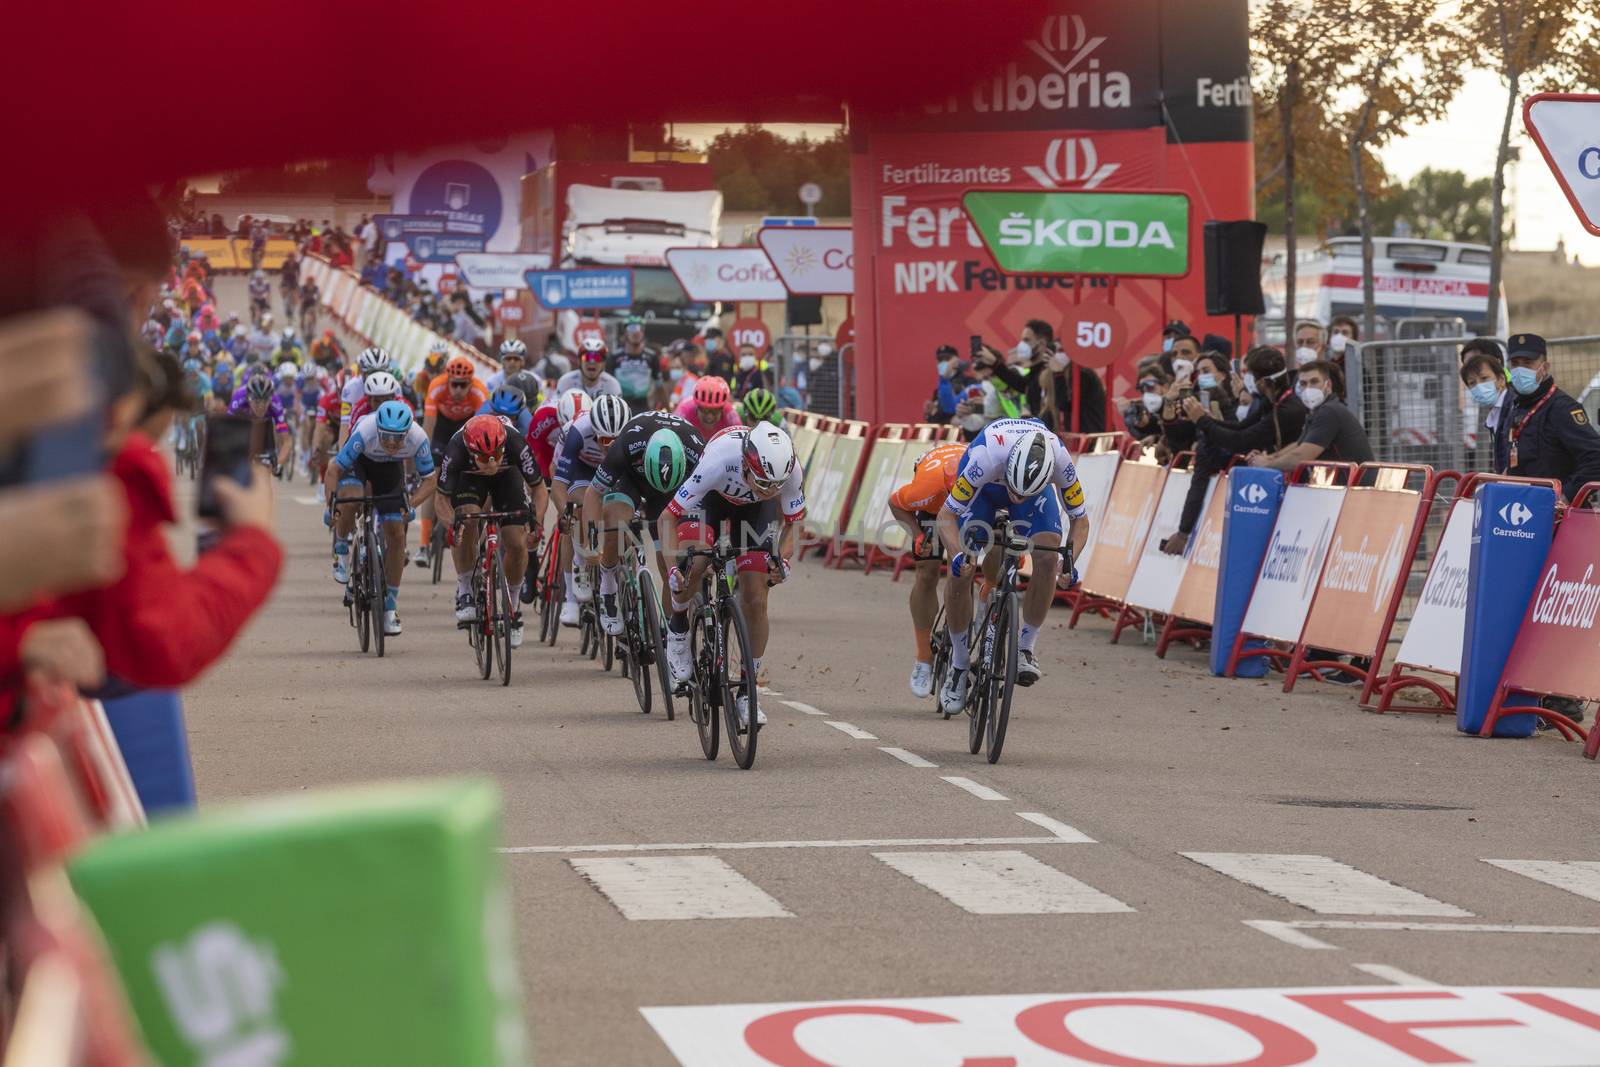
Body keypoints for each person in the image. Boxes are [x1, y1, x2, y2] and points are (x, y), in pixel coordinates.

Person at [936, 420, 1089, 714]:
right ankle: (958, 664)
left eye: (1023, 493)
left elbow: (1080, 521)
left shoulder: (1059, 460)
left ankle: (1025, 648)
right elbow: (946, 516)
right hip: (987, 489)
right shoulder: (985, 457)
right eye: (1016, 491)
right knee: (963, 567)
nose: (1016, 499)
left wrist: (1069, 559)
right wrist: (956, 556)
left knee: (1046, 557)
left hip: (1034, 488)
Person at [660, 422, 804, 730]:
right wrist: (674, 568)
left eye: (776, 486)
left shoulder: (788, 469)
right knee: (695, 564)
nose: (770, 490)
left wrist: (784, 560)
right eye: (763, 482)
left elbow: (794, 523)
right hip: (708, 501)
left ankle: (747, 693)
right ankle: (678, 627)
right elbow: (667, 517)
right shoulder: (718, 461)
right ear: (746, 463)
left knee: (756, 598)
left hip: (753, 514)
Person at [1160, 347, 1306, 555]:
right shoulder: (1268, 401)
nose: (1243, 379)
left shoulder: (1288, 409)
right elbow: (1241, 427)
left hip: (1298, 484)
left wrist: (1202, 420)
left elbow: (1240, 441)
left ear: (1262, 382)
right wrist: (1205, 419)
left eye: (1248, 374)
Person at [583, 412, 706, 635]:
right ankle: (608, 583)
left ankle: (671, 630)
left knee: (672, 559)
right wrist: (591, 540)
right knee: (616, 526)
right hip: (631, 479)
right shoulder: (627, 444)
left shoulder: (698, 451)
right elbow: (593, 494)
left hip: (672, 491)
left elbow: (709, 503)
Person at [324, 400, 437, 636]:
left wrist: (411, 504)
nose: (392, 443)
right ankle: (342, 550)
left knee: (396, 534)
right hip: (360, 462)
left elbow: (430, 480)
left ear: (407, 433)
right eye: (386, 436)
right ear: (378, 429)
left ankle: (389, 608)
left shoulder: (418, 438)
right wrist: (331, 505)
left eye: (398, 438)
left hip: (389, 470)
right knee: (352, 499)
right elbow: (334, 469)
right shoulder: (365, 431)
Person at [435, 414, 542, 647]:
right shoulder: (455, 449)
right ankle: (465, 590)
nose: (492, 463)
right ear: (472, 452)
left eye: (496, 454)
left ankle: (513, 606)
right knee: (467, 520)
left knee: (516, 542)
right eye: (484, 457)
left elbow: (539, 488)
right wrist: (452, 525)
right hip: (470, 479)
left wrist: (537, 523)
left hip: (508, 478)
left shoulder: (515, 442)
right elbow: (441, 499)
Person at [888, 442, 965, 698]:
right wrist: (919, 536)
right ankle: (923, 657)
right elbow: (895, 503)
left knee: (964, 571)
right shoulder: (926, 488)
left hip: (973, 509)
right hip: (932, 512)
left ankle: (985, 618)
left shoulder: (985, 480)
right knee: (927, 571)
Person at [551, 394, 631, 626]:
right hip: (582, 469)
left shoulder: (631, 433)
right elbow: (558, 484)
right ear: (594, 432)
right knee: (579, 506)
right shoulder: (577, 432)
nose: (610, 446)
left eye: (616, 440)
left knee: (623, 513)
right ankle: (578, 568)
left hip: (616, 469)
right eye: (605, 440)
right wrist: (565, 512)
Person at [1491, 333, 1600, 501]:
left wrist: (1566, 496)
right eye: (1515, 364)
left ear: (1545, 367)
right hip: (1524, 511)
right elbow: (1517, 457)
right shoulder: (1518, 407)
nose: (1520, 370)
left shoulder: (1562, 408)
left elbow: (1595, 458)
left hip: (1560, 515)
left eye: (1528, 363)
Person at [1248, 359, 1373, 468]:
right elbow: (1299, 445)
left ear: (1328, 385)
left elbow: (1301, 456)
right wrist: (1269, 458)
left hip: (1353, 491)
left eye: (1314, 382)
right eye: (1303, 383)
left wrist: (1266, 465)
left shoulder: (1329, 412)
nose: (1308, 388)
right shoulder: (1319, 411)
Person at [1017, 318, 1107, 433]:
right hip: (1072, 440)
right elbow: (1049, 412)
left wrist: (1058, 373)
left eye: (1062, 350)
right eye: (1056, 351)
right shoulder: (1053, 376)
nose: (1057, 355)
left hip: (1092, 439)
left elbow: (1065, 403)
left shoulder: (1083, 375)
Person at [228, 373, 291, 473]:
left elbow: (286, 441)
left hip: (266, 425)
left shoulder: (275, 403)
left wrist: (278, 464)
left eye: (265, 401)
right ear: (248, 398)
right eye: (257, 402)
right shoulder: (238, 399)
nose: (261, 406)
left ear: (270, 399)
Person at [608, 319, 658, 407]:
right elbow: (607, 385)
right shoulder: (614, 357)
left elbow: (660, 385)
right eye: (632, 328)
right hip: (620, 407)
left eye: (640, 328)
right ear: (625, 333)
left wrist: (668, 411)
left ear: (643, 333)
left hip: (644, 407)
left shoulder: (651, 356)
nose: (636, 332)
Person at [556, 338, 623, 400]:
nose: (592, 362)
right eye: (587, 357)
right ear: (579, 361)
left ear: (603, 363)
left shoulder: (612, 385)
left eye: (597, 357)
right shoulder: (565, 382)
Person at [675, 375, 740, 438]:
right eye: (704, 410)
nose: (709, 417)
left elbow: (740, 437)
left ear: (722, 408)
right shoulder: (684, 410)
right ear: (696, 406)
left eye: (715, 411)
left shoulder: (729, 412)